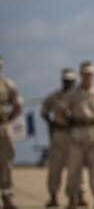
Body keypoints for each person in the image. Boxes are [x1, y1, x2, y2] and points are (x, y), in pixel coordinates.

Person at [62, 62, 94, 209]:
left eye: (90, 74)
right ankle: (73, 198)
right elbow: (61, 110)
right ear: (81, 75)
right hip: (77, 132)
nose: (87, 77)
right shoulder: (72, 93)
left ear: (93, 75)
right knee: (73, 167)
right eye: (85, 74)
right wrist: (70, 123)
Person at [41, 69, 84, 208]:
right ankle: (53, 195)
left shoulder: (80, 97)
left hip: (75, 134)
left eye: (70, 81)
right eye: (66, 81)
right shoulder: (54, 97)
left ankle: (76, 196)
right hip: (59, 134)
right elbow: (44, 111)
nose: (68, 83)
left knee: (75, 167)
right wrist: (51, 123)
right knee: (55, 166)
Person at [0, 56, 21, 209]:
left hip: (3, 127)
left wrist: (8, 120)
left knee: (6, 162)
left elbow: (17, 105)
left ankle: (8, 198)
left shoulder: (7, 85)